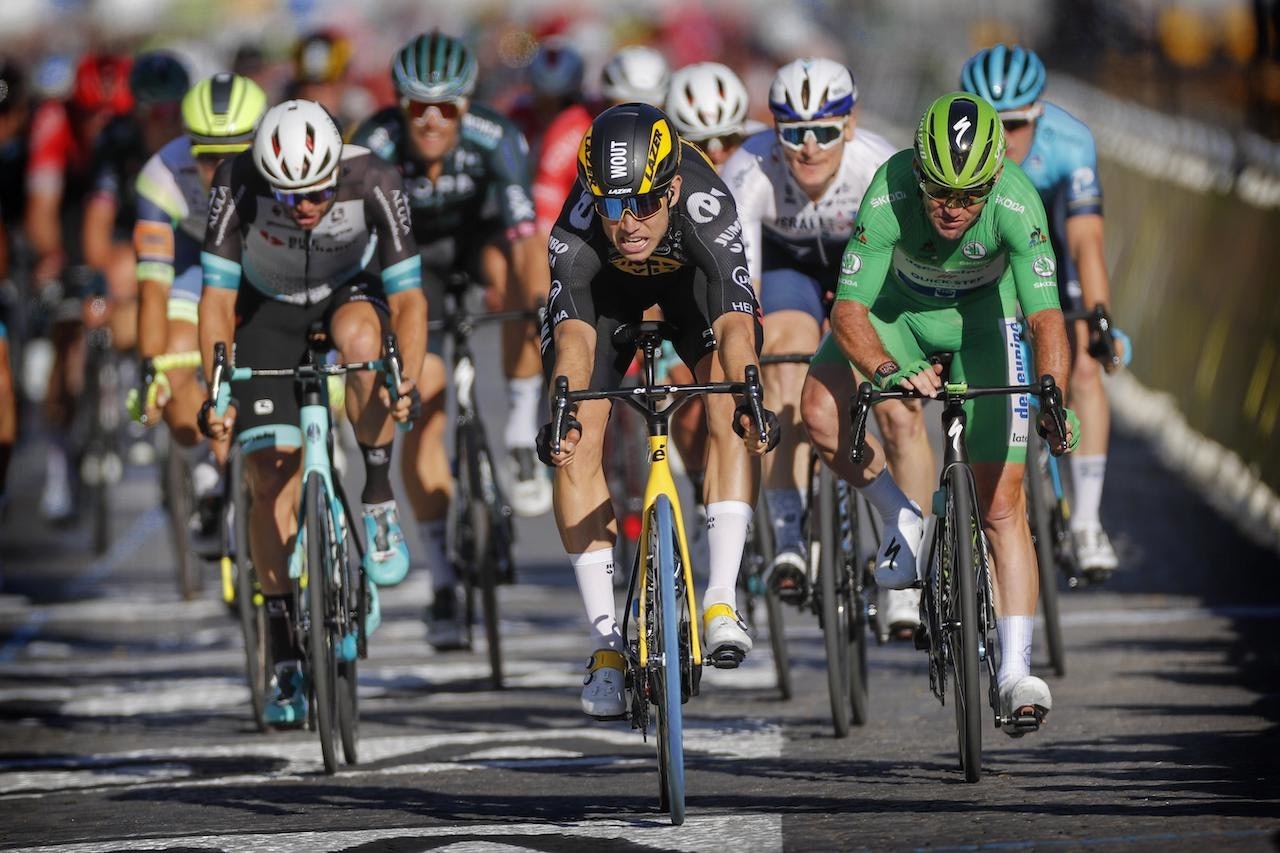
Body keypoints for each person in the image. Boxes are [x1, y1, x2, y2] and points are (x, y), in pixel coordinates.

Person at [800, 92, 1078, 734]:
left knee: (1002, 504)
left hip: (986, 324)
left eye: (969, 196)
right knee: (818, 411)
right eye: (940, 193)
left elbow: (1043, 317)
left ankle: (1014, 672)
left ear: (993, 180)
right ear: (920, 173)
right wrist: (890, 375)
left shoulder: (1016, 200)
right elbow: (849, 311)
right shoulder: (890, 188)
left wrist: (1052, 393)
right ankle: (902, 513)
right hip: (899, 317)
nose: (953, 209)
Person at [539, 102, 777, 719]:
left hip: (691, 291)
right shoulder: (576, 228)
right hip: (609, 302)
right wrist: (565, 413)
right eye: (614, 206)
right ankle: (606, 649)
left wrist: (748, 392)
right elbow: (573, 339)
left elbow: (732, 320)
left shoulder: (705, 201)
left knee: (731, 396)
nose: (629, 222)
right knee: (575, 441)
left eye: (645, 204)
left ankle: (720, 598)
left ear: (671, 188)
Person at [199, 100, 427, 726]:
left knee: (363, 343)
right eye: (288, 194)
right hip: (266, 308)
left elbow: (408, 300)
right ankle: (281, 648)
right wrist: (216, 386)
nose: (303, 206)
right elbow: (216, 299)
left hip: (346, 296)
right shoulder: (237, 179)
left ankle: (377, 497)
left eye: (316, 192)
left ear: (337, 168)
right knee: (269, 469)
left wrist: (402, 376)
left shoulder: (375, 178)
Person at [352, 30, 550, 649]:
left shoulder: (497, 138)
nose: (431, 120)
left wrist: (543, 310)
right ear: (398, 106)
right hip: (410, 266)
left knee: (520, 279)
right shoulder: (373, 144)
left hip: (476, 246)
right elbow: (358, 250)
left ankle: (520, 429)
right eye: (417, 106)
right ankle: (442, 580)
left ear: (467, 107)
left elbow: (522, 239)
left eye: (446, 107)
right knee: (429, 396)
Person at [719, 57, 924, 636]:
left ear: (850, 126)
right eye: (793, 134)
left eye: (826, 132)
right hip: (788, 270)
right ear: (774, 130)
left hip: (872, 268)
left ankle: (907, 551)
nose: (809, 148)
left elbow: (912, 278)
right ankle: (787, 525)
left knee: (898, 406)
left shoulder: (879, 168)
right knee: (784, 361)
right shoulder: (749, 167)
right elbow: (743, 288)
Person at [961, 44, 1122, 579]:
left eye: (1014, 125)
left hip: (1048, 239)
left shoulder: (1070, 142)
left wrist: (1098, 318)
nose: (1002, 139)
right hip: (988, 247)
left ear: (1038, 115)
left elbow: (1085, 241)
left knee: (1080, 364)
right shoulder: (956, 148)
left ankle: (1088, 521)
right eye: (990, 123)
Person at [133, 72, 267, 541]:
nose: (221, 167)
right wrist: (152, 369)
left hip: (266, 258)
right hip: (199, 260)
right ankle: (205, 471)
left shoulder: (282, 157)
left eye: (236, 155)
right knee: (173, 359)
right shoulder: (160, 177)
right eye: (207, 156)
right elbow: (152, 286)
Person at [26, 53, 134, 522]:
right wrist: (52, 260)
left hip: (119, 218)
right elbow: (42, 208)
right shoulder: (53, 122)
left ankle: (132, 399)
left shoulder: (132, 131)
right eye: (91, 114)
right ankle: (57, 465)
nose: (100, 123)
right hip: (69, 217)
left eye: (109, 115)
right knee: (66, 338)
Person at [83, 50, 190, 356]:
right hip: (135, 247)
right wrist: (100, 285)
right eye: (156, 115)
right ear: (138, 114)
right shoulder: (117, 143)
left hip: (186, 242)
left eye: (173, 113)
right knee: (116, 275)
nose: (166, 124)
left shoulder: (197, 142)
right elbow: (97, 222)